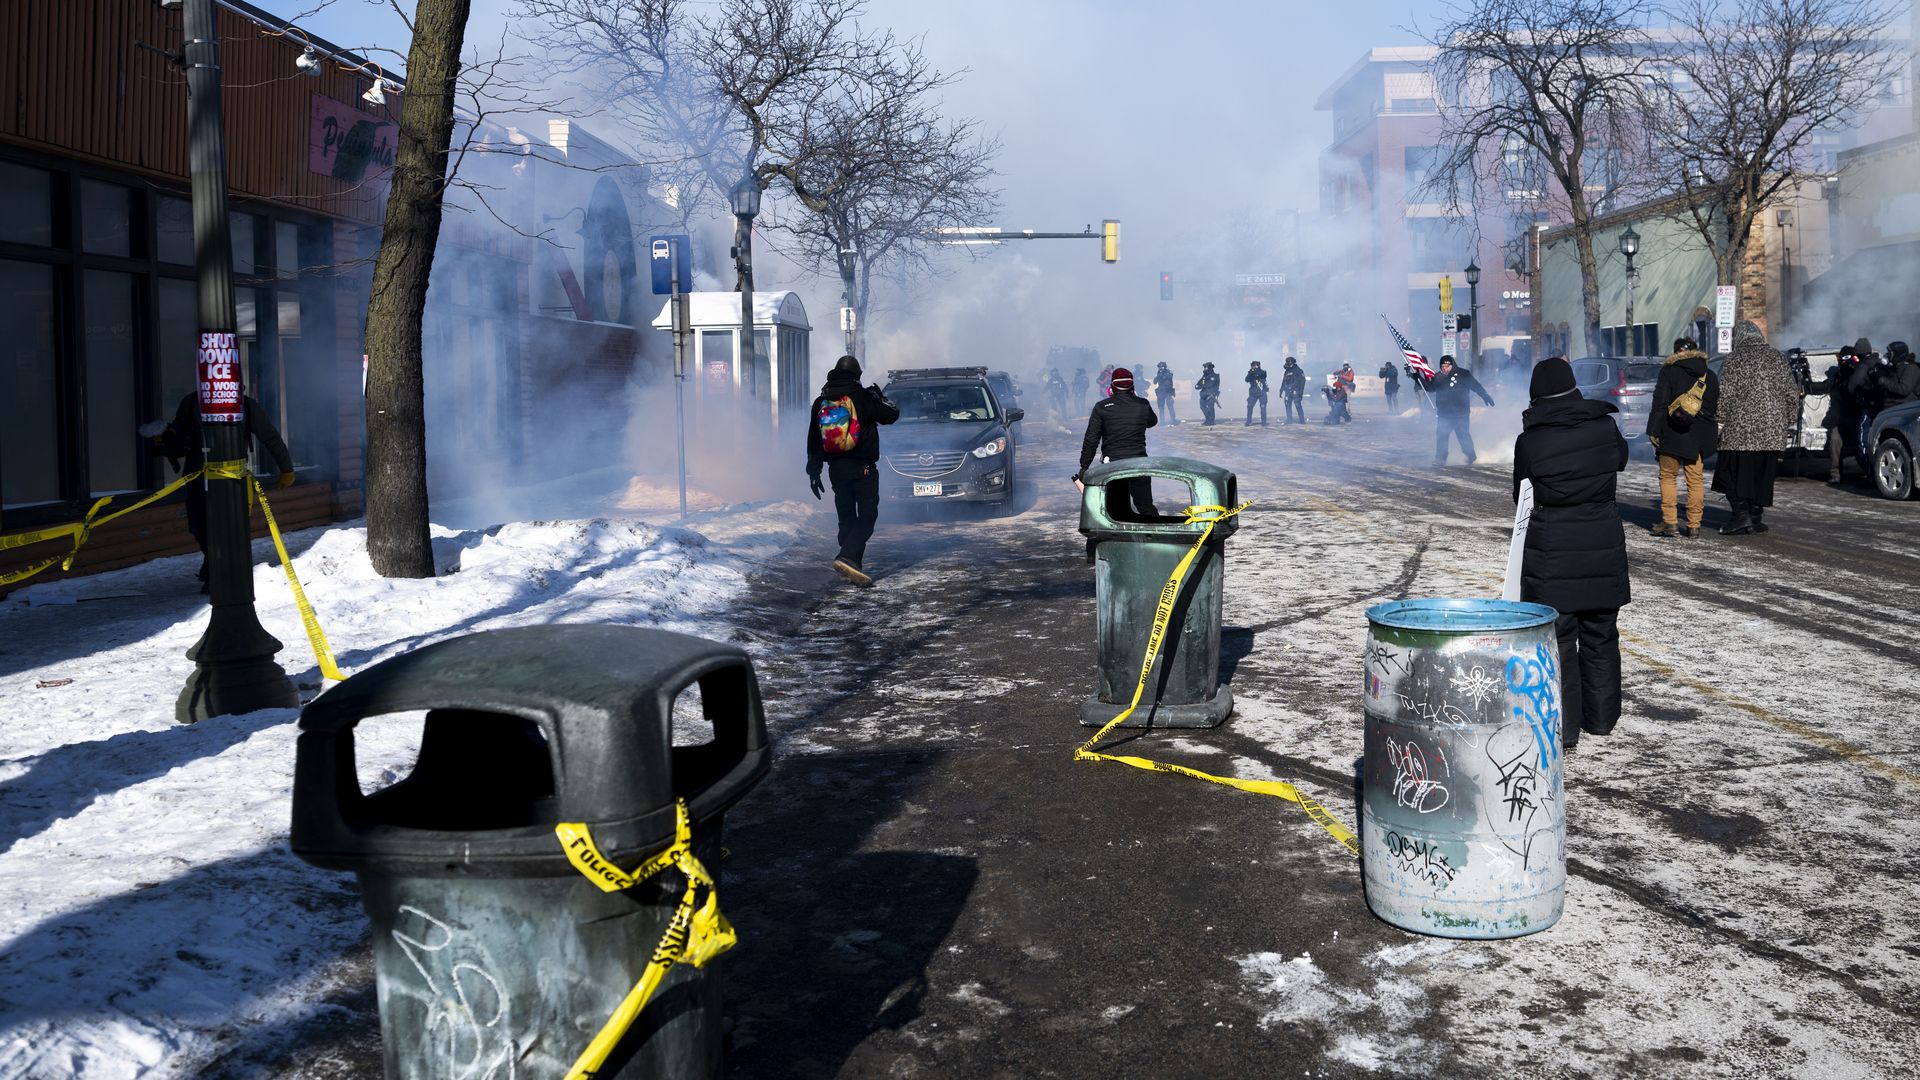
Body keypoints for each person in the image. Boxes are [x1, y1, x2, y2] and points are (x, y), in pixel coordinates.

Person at [1511, 356, 1630, 751]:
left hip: (1552, 552)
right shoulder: (1604, 425)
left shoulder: (1530, 440)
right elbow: (1622, 460)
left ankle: (1565, 728)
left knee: (1559, 642)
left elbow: (1521, 497)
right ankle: (1602, 720)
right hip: (1602, 544)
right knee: (1601, 634)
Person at [153, 391, 295, 592]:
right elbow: (179, 436)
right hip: (197, 477)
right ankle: (212, 563)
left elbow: (269, 435)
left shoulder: (245, 404)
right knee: (198, 526)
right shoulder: (192, 402)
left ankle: (219, 575)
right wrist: (166, 439)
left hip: (232, 480)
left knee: (228, 528)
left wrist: (286, 468)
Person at [806, 354, 900, 586]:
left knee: (846, 515)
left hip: (835, 469)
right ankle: (847, 556)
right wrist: (880, 397)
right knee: (867, 515)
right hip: (863, 468)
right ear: (857, 375)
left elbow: (813, 438)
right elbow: (892, 415)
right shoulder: (863, 397)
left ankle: (851, 562)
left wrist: (814, 469)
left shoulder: (821, 401)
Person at [1711, 321, 1800, 535]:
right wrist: (1787, 421)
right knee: (1762, 475)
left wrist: (1719, 422)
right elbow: (1791, 393)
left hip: (1740, 431)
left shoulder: (1734, 359)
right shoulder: (1778, 357)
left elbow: (1725, 395)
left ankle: (1740, 516)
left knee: (1732, 474)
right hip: (1772, 431)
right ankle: (1756, 517)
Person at [1646, 337, 1719, 538]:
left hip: (1672, 433)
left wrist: (1653, 430)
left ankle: (1670, 522)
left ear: (1675, 352)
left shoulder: (1669, 371)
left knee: (1668, 477)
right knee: (1695, 480)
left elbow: (1659, 403)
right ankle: (1694, 525)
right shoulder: (1709, 374)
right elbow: (1713, 408)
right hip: (1699, 437)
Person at [1076, 366, 1158, 516]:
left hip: (1112, 465)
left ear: (1112, 387)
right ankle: (1159, 538)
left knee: (1115, 510)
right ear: (1132, 386)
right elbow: (1152, 422)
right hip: (1139, 463)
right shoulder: (1143, 404)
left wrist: (1084, 466)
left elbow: (1091, 439)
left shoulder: (1102, 407)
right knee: (1146, 507)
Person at [1420, 355, 1496, 464]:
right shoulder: (1438, 377)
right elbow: (1430, 387)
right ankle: (1440, 458)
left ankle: (1470, 455)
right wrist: (1417, 377)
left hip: (1461, 412)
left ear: (1452, 365)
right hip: (1444, 413)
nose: (1444, 368)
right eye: (1442, 366)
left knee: (1463, 434)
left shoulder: (1463, 374)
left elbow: (1475, 386)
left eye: (1447, 366)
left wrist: (1485, 395)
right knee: (1442, 435)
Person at [1808, 346, 1864, 483]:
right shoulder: (1839, 375)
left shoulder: (1859, 372)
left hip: (1857, 416)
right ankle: (1835, 473)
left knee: (1861, 445)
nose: (1840, 362)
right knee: (1835, 440)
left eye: (1842, 358)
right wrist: (1807, 386)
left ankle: (1869, 472)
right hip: (1841, 418)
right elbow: (1825, 386)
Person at [1869, 340, 1920, 408]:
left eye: (1890, 353)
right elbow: (1890, 385)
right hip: (1892, 406)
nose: (1887, 355)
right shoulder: (1896, 367)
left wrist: (1883, 380)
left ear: (1898, 355)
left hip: (1903, 408)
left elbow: (1904, 389)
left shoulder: (1911, 368)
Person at [1281, 357, 1307, 424]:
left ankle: (1302, 421)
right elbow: (1284, 381)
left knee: (1297, 405)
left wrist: (1300, 392)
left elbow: (1302, 382)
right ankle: (1289, 420)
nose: (1286, 364)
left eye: (1287, 362)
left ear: (1291, 362)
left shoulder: (1298, 370)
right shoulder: (1287, 371)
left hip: (1296, 391)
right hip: (1287, 391)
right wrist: (1281, 390)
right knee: (1287, 405)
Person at [1244, 360, 1270, 426]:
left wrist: (1254, 371)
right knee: (1249, 406)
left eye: (1253, 366)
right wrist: (1251, 372)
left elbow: (1262, 375)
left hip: (1261, 392)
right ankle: (1248, 421)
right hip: (1253, 393)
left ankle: (1264, 422)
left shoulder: (1262, 372)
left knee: (1263, 407)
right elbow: (1246, 380)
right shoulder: (1251, 373)